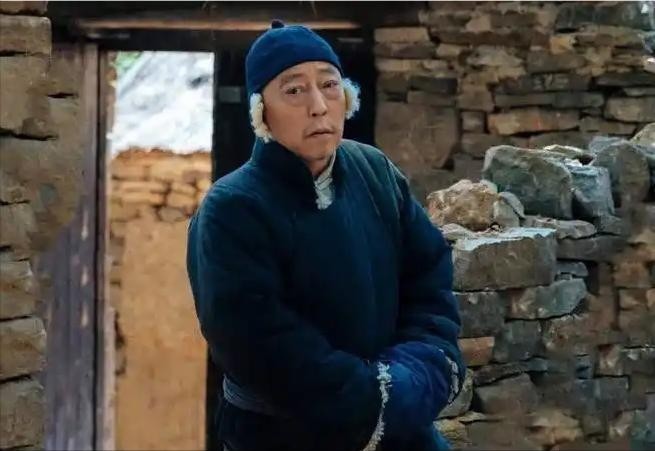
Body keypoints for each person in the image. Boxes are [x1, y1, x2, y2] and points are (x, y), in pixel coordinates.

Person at [186, 19, 465, 451]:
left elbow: (428, 276)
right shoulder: (233, 208)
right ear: (262, 112)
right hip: (282, 436)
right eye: (294, 91)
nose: (318, 106)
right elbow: (259, 342)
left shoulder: (375, 171)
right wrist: (370, 399)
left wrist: (420, 370)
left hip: (398, 428)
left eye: (329, 85)